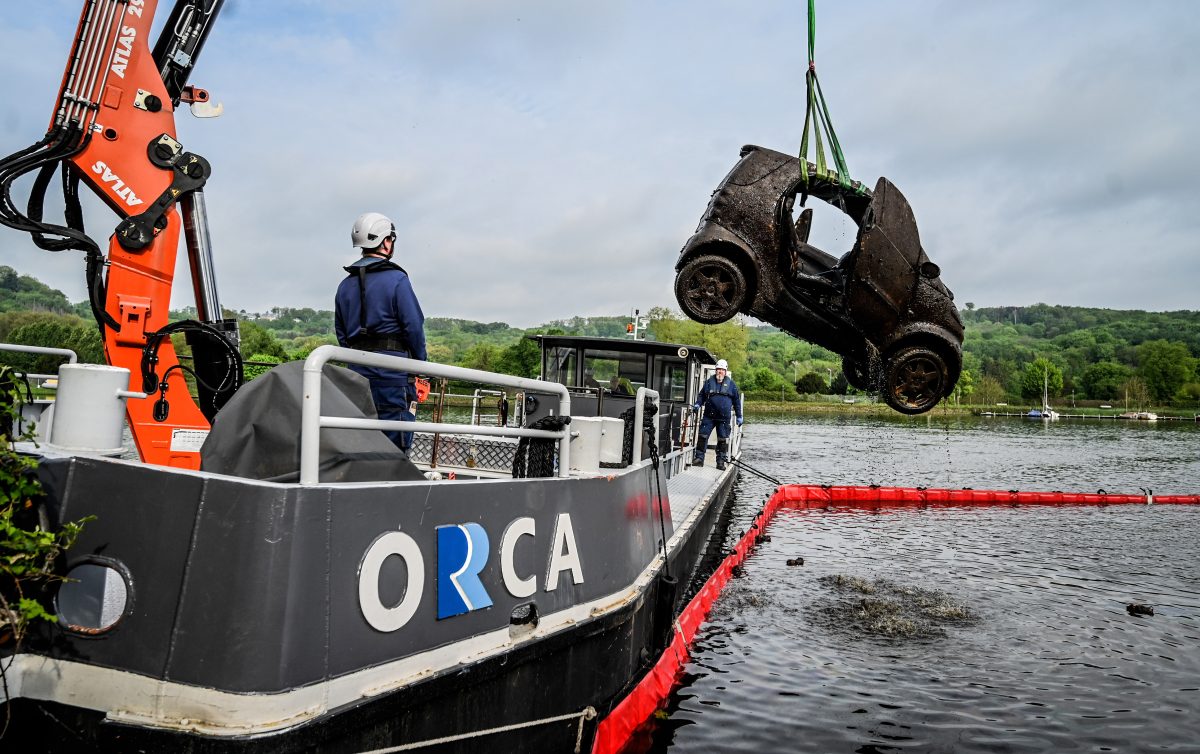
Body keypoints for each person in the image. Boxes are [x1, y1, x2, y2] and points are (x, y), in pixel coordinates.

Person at [334, 212, 427, 453]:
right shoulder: (397, 279)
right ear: (386, 241)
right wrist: (421, 366)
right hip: (393, 376)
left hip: (356, 376)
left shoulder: (344, 286)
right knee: (395, 448)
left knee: (359, 443)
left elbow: (342, 333)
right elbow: (414, 327)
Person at [692, 358, 742, 470]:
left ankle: (720, 462)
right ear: (716, 370)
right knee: (702, 437)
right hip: (708, 417)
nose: (720, 372)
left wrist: (739, 416)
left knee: (722, 440)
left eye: (722, 370)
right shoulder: (709, 382)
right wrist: (697, 404)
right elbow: (701, 396)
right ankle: (699, 458)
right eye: (719, 369)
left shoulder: (732, 385)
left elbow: (737, 402)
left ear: (725, 371)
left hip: (723, 419)